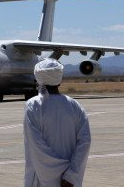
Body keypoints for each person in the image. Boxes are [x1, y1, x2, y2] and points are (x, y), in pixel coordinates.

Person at [23, 58, 91, 187]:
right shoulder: (75, 105)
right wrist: (71, 175)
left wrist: (55, 175)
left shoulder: (34, 106)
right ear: (59, 81)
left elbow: (36, 147)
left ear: (39, 79)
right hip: (70, 182)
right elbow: (85, 142)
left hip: (41, 179)